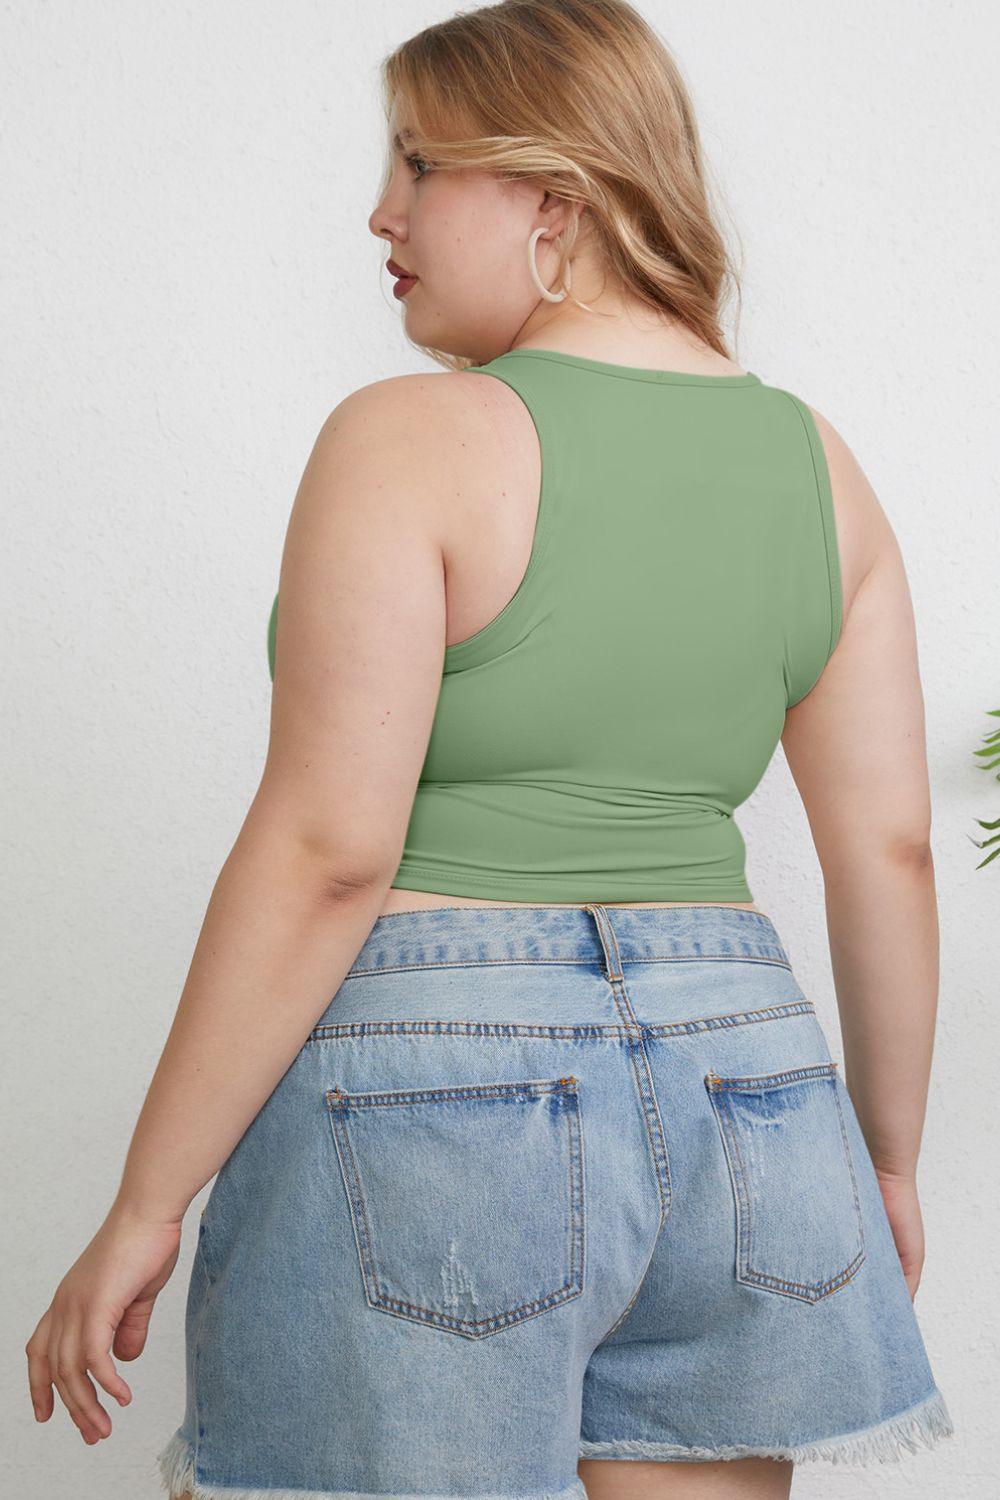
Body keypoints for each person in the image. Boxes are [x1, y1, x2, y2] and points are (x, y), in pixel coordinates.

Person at [26, 2, 954, 1496]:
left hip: (437, 1103)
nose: (379, 212)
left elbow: (334, 851)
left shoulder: (408, 441)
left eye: (419, 162)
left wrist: (148, 1200)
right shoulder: (816, 464)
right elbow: (890, 852)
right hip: (758, 1097)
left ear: (555, 197)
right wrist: (889, 1161)